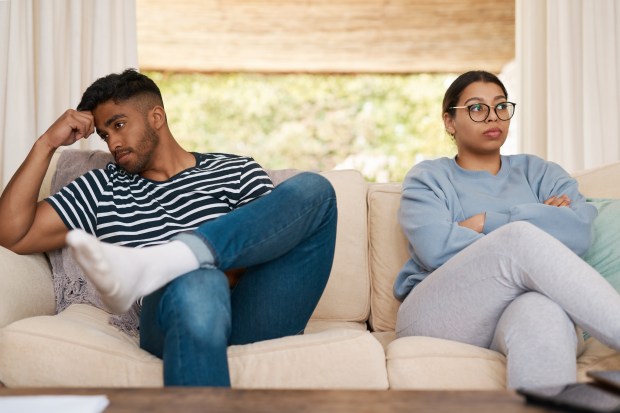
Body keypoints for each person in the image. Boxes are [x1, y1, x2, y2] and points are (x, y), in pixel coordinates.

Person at [0, 69, 338, 387]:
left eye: (119, 125)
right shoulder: (103, 187)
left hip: (255, 309)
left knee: (315, 190)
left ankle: (166, 262)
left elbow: (265, 244)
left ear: (156, 117)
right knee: (197, 280)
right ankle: (178, 267)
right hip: (174, 314)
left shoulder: (235, 170)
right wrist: (46, 143)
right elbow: (11, 233)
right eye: (104, 135)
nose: (113, 143)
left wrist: (201, 263)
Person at [394, 70, 620, 389]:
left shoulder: (539, 172)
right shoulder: (428, 178)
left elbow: (580, 231)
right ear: (449, 122)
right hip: (440, 312)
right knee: (518, 239)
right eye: (476, 108)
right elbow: (436, 248)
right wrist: (535, 221)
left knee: (543, 313)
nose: (492, 117)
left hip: (522, 308)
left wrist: (485, 221)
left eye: (501, 106)